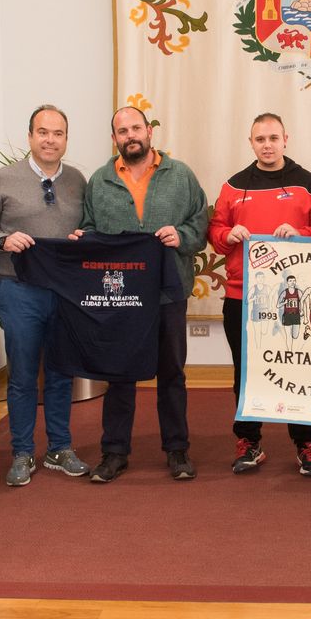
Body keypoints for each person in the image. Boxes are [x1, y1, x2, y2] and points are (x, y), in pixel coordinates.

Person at [77, 106, 208, 483]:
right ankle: (114, 452)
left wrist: (181, 236)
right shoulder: (100, 181)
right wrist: (82, 238)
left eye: (136, 127)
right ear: (114, 138)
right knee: (119, 374)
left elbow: (200, 223)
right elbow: (88, 227)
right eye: (122, 130)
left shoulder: (180, 175)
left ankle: (177, 449)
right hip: (121, 295)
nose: (130, 135)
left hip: (169, 292)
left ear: (149, 131)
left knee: (172, 373)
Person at [207, 112, 311, 476]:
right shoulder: (233, 186)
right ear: (251, 143)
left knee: (299, 369)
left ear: (285, 139)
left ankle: (306, 444)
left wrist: (300, 233)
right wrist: (226, 236)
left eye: (273, 138)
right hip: (242, 297)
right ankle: (249, 442)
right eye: (260, 139)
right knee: (246, 372)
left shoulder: (306, 183)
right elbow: (215, 230)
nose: (267, 145)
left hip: (295, 297)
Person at [0, 105, 90, 487]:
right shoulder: (3, 179)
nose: (50, 140)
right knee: (22, 375)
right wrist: (3, 239)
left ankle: (59, 448)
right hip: (20, 291)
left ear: (66, 140)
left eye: (58, 133)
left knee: (60, 373)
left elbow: (88, 224)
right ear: (30, 137)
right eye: (43, 132)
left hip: (65, 293)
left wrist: (83, 235)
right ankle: (22, 452)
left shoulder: (77, 180)